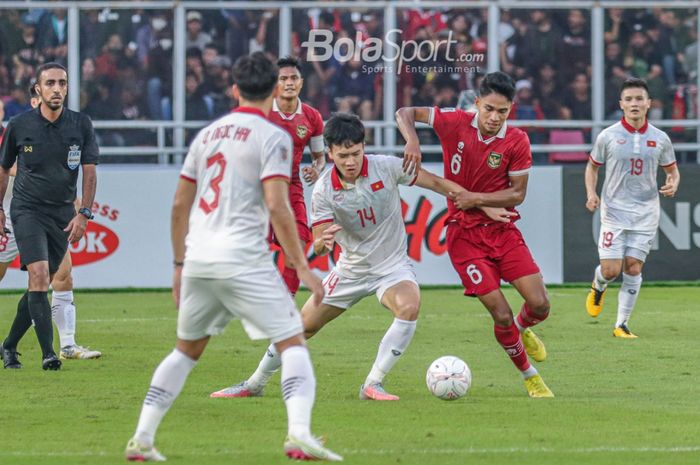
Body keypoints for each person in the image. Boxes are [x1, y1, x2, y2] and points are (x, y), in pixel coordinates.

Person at [124, 52, 342, 462]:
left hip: (200, 259)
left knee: (185, 351)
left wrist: (177, 266)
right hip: (243, 257)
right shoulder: (273, 136)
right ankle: (298, 434)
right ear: (275, 89)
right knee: (294, 342)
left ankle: (143, 438)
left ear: (234, 90)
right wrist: (303, 266)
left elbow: (178, 207)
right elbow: (279, 208)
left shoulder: (207, 135)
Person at [209, 113, 512, 401]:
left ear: (364, 147)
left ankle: (373, 383)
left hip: (391, 267)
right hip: (350, 270)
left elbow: (439, 184)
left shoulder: (388, 167)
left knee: (409, 306)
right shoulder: (324, 190)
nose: (351, 161)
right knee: (302, 328)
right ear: (329, 153)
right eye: (343, 156)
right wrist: (323, 243)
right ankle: (254, 383)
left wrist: (481, 203)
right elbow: (319, 243)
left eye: (355, 153)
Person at [395, 71, 554, 398]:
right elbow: (404, 113)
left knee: (539, 304)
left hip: (502, 229)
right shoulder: (454, 121)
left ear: (512, 109)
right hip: (464, 237)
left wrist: (476, 199)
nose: (495, 118)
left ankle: (520, 331)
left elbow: (517, 194)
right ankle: (530, 376)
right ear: (477, 103)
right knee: (500, 312)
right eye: (489, 109)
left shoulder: (517, 140)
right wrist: (412, 139)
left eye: (503, 112)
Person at [0, 62, 98, 371]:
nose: (57, 88)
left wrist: (83, 212)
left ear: (67, 88)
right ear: (38, 90)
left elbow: (90, 172)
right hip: (26, 210)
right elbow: (4, 169)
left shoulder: (80, 125)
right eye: (50, 83)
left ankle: (9, 346)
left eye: (62, 83)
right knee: (41, 275)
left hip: (61, 214)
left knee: (40, 283)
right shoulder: (19, 125)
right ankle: (49, 353)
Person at [584, 78, 680, 338]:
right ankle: (598, 284)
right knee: (611, 270)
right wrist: (591, 193)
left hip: (647, 212)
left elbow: (673, 170)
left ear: (648, 104)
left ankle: (621, 325)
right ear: (621, 105)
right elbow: (592, 167)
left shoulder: (660, 138)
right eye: (629, 99)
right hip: (614, 211)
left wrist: (673, 184)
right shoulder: (608, 136)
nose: (634, 103)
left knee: (634, 266)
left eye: (639, 99)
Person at [267, 56, 326, 296]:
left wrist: (316, 168)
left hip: (291, 185)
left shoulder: (312, 117)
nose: (289, 83)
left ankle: (284, 302)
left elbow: (320, 156)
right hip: (257, 187)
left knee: (299, 246)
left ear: (301, 82)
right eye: (283, 79)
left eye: (293, 78)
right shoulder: (262, 111)